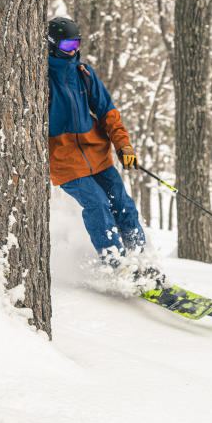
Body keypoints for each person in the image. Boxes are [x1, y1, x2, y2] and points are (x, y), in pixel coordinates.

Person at [47, 16, 147, 260]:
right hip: (65, 161)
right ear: (51, 44)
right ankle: (115, 262)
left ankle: (141, 259)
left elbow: (108, 113)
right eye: (67, 46)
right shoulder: (42, 78)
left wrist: (124, 146)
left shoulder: (83, 74)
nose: (74, 51)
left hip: (97, 154)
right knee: (98, 204)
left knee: (123, 203)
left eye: (77, 44)